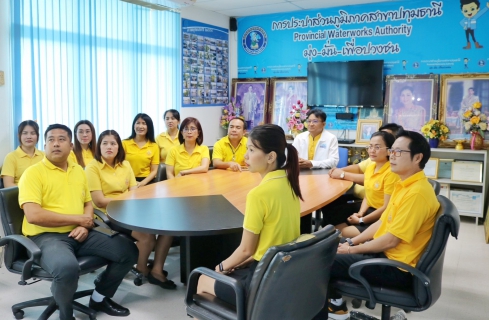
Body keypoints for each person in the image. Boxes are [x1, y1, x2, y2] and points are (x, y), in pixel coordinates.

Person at [19, 124, 138, 320]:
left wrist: (83, 224)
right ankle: (66, 315)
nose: (56, 144)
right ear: (45, 144)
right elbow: (34, 215)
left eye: (61, 139)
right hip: (46, 236)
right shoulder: (33, 173)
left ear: (71, 145)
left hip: (81, 231)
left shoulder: (78, 171)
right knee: (67, 269)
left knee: (128, 251)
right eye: (51, 139)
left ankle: (99, 298)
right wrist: (79, 220)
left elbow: (88, 203)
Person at [322, 131, 440, 320]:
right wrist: (352, 242)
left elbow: (390, 241)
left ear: (417, 158)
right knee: (328, 245)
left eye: (398, 152)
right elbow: (382, 224)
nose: (392, 156)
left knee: (322, 258)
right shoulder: (405, 184)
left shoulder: (416, 194)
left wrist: (350, 250)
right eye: (392, 151)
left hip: (395, 267)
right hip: (386, 255)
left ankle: (336, 309)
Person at [196, 124, 303, 306]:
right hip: (284, 271)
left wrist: (220, 267)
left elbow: (246, 250)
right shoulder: (289, 182)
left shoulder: (258, 195)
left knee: (202, 279)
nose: (246, 156)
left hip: (262, 280)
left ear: (270, 157)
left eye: (252, 150)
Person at [86, 130, 176, 290]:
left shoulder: (125, 164)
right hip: (108, 215)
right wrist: (126, 198)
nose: (109, 147)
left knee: (167, 227)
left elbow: (135, 191)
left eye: (113, 143)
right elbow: (99, 200)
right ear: (98, 146)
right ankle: (141, 267)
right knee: (147, 237)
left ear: (119, 147)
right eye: (104, 143)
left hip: (129, 210)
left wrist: (132, 200)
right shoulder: (92, 167)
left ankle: (156, 270)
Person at [323, 132, 400, 238]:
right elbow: (368, 195)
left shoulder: (391, 172)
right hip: (370, 209)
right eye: (370, 146)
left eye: (377, 147)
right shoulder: (371, 167)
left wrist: (361, 220)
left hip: (383, 215)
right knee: (333, 218)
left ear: (389, 151)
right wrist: (360, 213)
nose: (372, 150)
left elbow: (386, 207)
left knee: (343, 232)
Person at [329, 123, 403, 200]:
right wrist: (338, 171)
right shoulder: (374, 161)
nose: (372, 150)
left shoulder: (396, 164)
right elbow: (358, 168)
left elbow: (372, 180)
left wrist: (343, 174)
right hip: (360, 195)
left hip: (372, 202)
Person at [1, 120, 44, 187]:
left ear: (38, 136)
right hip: (21, 195)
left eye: (33, 133)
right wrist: (28, 192)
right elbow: (8, 185)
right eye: (25, 133)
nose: (29, 136)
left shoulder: (45, 156)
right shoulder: (11, 157)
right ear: (19, 135)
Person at [122, 113, 159, 187]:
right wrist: (132, 182)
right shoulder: (124, 143)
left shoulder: (154, 146)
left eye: (144, 123)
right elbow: (119, 165)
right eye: (137, 123)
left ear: (149, 127)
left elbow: (154, 171)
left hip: (147, 181)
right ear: (134, 126)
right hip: (127, 179)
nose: (140, 126)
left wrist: (142, 183)